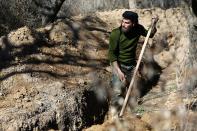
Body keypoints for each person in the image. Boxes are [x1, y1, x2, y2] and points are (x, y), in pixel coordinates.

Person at [108, 11, 158, 114]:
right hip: (118, 65)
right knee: (118, 92)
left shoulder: (138, 29)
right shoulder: (116, 34)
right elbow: (112, 55)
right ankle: (114, 116)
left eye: (127, 23)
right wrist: (119, 71)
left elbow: (150, 34)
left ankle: (131, 113)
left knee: (135, 91)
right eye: (123, 21)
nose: (123, 24)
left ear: (134, 23)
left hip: (131, 65)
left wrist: (154, 23)